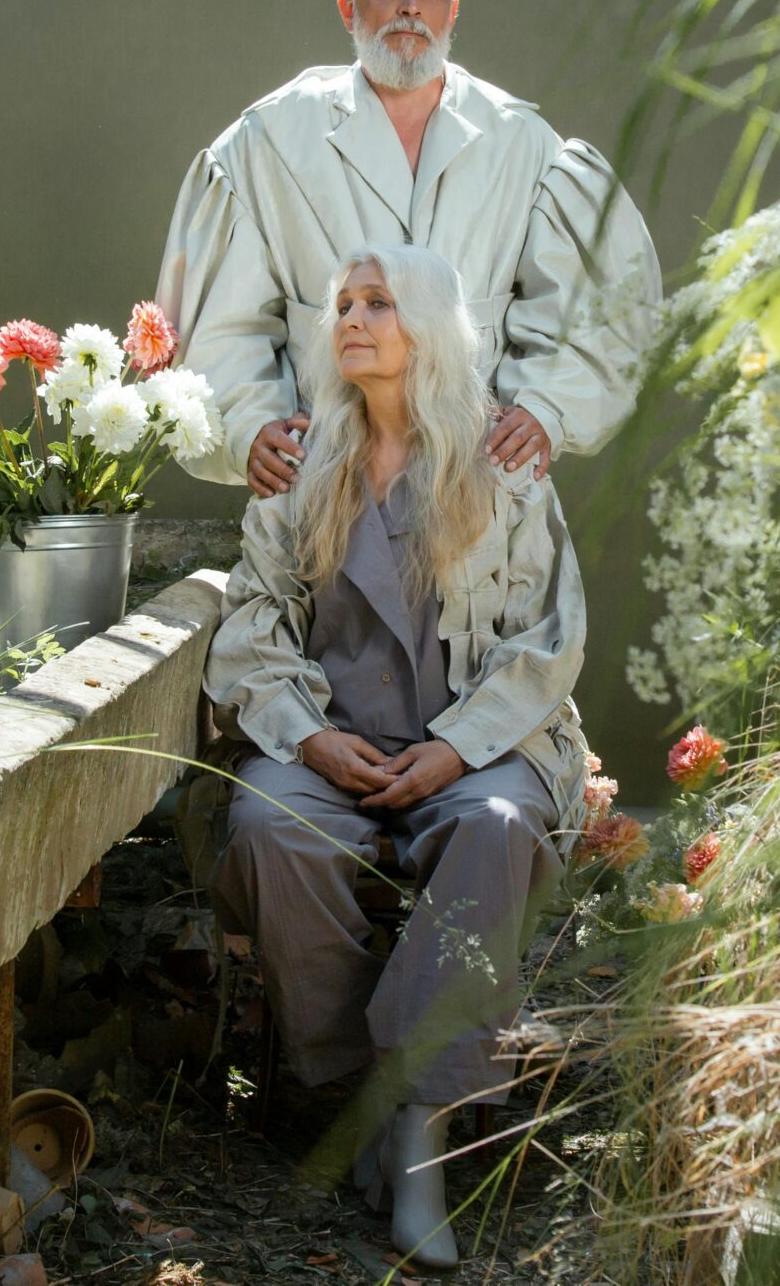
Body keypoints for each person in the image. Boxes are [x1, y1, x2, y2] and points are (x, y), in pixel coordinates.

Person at [204, 243, 590, 1271]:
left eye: (378, 302)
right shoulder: (301, 464)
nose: (353, 319)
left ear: (426, 323)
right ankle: (361, 1090)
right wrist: (313, 739)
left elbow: (546, 642)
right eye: (342, 304)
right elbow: (251, 625)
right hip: (332, 743)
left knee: (498, 830)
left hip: (476, 743)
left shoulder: (502, 466)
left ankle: (417, 1126)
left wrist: (458, 750)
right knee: (263, 827)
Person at [156, 0, 662, 499]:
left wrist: (550, 410)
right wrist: (247, 428)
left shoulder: (522, 143)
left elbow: (593, 313)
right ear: (350, 8)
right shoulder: (267, 140)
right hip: (322, 477)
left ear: (452, 11)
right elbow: (223, 326)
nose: (410, 8)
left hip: (481, 483)